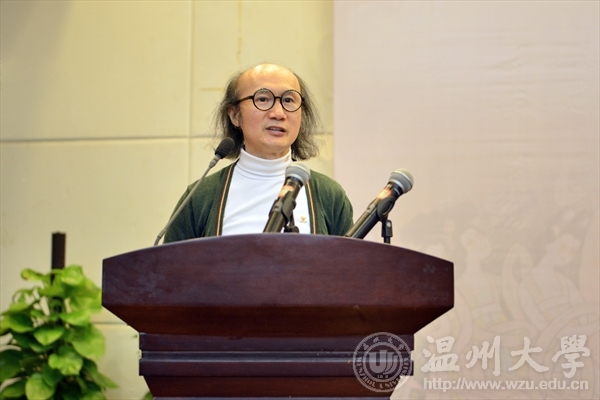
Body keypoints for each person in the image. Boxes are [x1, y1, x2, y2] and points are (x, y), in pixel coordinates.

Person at [164, 63, 354, 242]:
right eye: (263, 99)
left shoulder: (329, 195)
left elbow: (349, 264)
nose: (278, 113)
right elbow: (170, 265)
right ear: (235, 115)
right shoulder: (200, 197)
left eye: (289, 100)